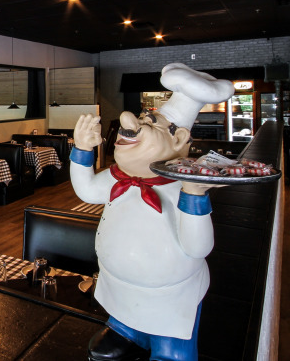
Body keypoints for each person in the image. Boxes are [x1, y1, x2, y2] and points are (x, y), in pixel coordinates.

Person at [70, 63, 235, 361]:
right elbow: (86, 190)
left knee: (172, 351)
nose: (129, 123)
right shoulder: (117, 176)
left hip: (171, 299)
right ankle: (125, 327)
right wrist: (82, 149)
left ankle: (168, 345)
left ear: (179, 140)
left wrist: (194, 195)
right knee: (122, 317)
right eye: (142, 118)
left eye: (153, 124)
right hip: (118, 291)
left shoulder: (180, 188)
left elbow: (198, 247)